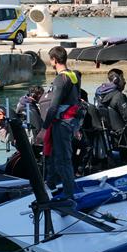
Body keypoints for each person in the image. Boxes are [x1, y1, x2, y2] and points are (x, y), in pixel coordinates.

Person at [42, 46, 82, 198]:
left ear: (54, 60)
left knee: (63, 160)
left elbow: (53, 108)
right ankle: (50, 184)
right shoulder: (74, 75)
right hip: (71, 122)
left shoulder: (60, 79)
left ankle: (68, 195)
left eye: (50, 59)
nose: (50, 62)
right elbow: (77, 101)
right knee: (55, 155)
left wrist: (44, 128)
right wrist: (77, 126)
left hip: (62, 123)